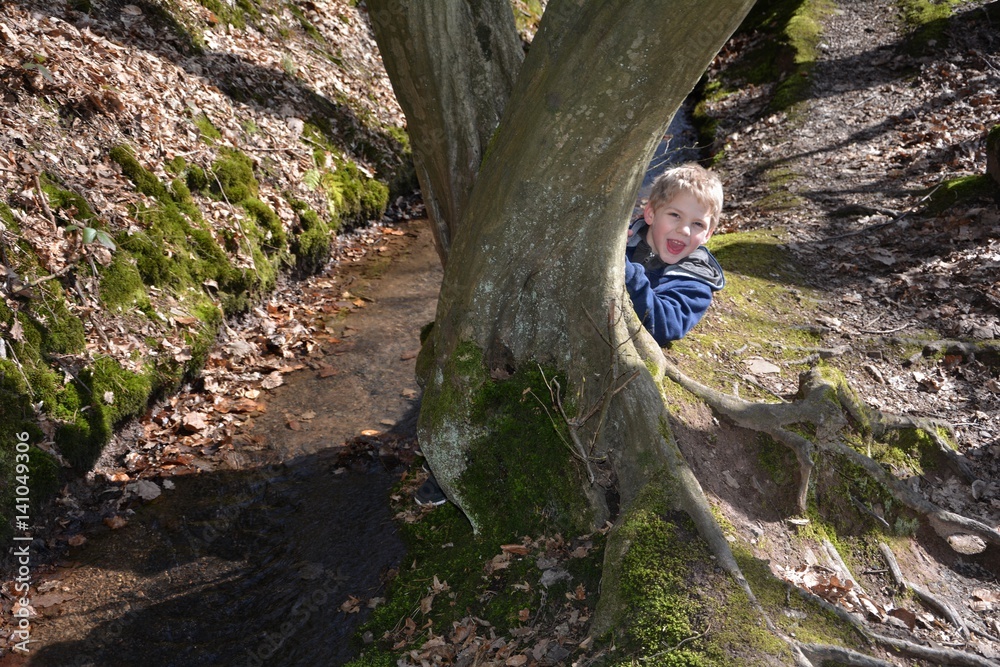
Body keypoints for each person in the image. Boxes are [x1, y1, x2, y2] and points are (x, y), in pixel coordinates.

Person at [625, 163, 725, 345]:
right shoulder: (624, 242)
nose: (684, 230)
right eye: (675, 215)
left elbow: (663, 325)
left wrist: (623, 269)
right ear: (651, 214)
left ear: (708, 234)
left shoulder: (695, 284)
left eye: (698, 224)